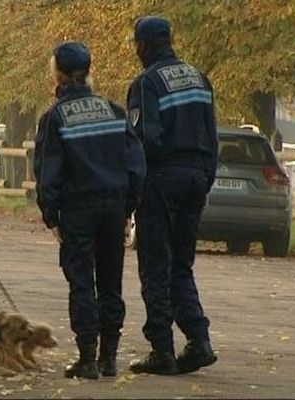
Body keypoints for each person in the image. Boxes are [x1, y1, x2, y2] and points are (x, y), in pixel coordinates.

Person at [35, 41, 146, 379]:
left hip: (77, 209)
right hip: (113, 206)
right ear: (88, 71)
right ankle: (109, 357)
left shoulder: (55, 117)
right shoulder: (113, 111)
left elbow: (47, 171)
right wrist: (129, 206)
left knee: (82, 282)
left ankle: (86, 357)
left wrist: (51, 214)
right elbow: (136, 164)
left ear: (58, 73)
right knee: (111, 282)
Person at [126, 16, 218, 375]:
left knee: (155, 264)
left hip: (162, 179)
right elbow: (211, 135)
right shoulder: (199, 78)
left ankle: (161, 349)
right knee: (182, 263)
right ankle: (198, 339)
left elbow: (144, 139)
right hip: (196, 177)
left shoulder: (148, 83)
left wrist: (133, 190)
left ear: (144, 45)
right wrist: (205, 178)